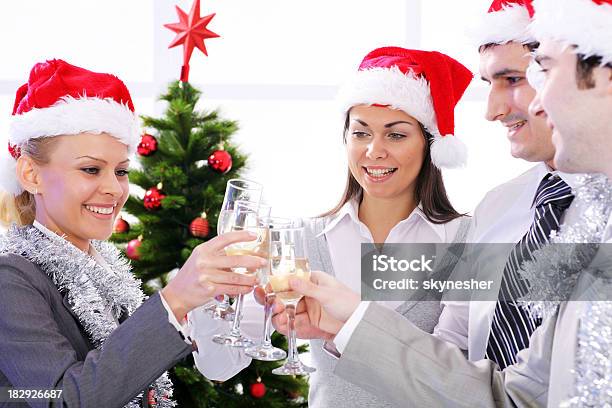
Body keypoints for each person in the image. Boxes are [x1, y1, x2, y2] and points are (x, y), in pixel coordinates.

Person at [280, 0, 612, 406]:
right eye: (361, 132)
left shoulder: (463, 232)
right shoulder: (499, 210)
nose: (492, 110)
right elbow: (509, 395)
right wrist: (350, 321)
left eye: (528, 74)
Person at [188, 47, 473, 408]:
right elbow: (219, 364)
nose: (373, 151)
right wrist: (210, 290)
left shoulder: (464, 241)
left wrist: (344, 329)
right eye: (360, 133)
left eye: (396, 135)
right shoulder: (302, 239)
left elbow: (454, 383)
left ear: (430, 143)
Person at [0, 59, 263, 408]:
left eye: (121, 171)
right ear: (31, 174)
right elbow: (61, 400)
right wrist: (175, 300)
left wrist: (242, 310)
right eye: (91, 169)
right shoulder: (11, 279)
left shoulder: (110, 272)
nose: (113, 188)